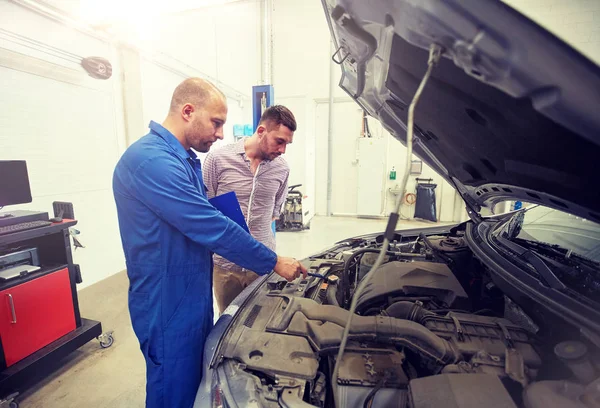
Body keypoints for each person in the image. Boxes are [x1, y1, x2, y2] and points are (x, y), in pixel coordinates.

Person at [112, 77, 306, 408]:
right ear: (188, 111)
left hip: (190, 288)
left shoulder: (182, 159)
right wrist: (273, 261)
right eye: (216, 123)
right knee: (171, 387)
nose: (219, 133)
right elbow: (209, 224)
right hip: (166, 297)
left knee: (194, 379)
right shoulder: (150, 161)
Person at [203, 105, 296, 314]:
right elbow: (206, 209)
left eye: (287, 144)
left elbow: (275, 212)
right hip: (226, 265)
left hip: (263, 266)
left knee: (261, 321)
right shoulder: (217, 160)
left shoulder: (282, 169)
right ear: (261, 131)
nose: (282, 150)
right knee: (227, 323)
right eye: (279, 141)